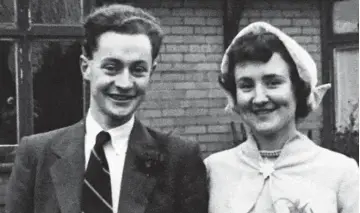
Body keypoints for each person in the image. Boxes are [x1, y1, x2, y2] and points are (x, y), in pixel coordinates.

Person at [6, 4, 208, 213]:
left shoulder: (180, 159)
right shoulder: (36, 154)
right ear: (86, 68)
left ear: (151, 72)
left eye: (138, 70)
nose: (124, 83)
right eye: (112, 67)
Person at [205, 22, 358, 213]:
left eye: (273, 83)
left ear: (297, 88)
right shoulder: (213, 170)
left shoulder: (341, 172)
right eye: (246, 85)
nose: (259, 98)